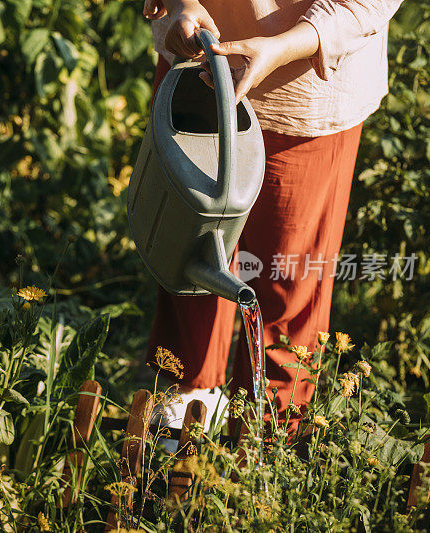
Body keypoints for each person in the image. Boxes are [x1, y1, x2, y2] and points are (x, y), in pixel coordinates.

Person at [141, 0, 403, 431]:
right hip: (199, 59)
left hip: (306, 91)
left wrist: (284, 46)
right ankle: (182, 425)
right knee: (188, 251)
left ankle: (263, 451)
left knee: (287, 286)